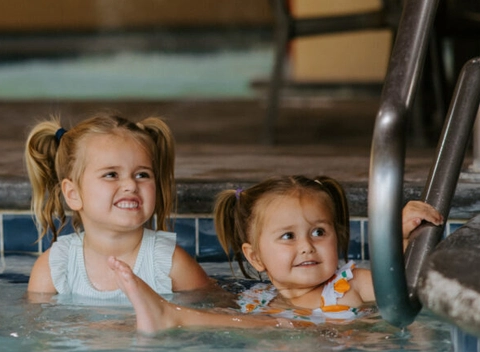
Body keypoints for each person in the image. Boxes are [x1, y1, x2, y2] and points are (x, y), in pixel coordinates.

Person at [108, 175, 444, 333]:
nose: (306, 246)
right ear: (255, 258)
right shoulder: (256, 299)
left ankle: (171, 316)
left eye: (319, 232)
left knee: (275, 325)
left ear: (337, 237)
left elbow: (404, 287)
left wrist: (400, 239)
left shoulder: (349, 284)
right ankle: (164, 316)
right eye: (288, 236)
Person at [25, 113, 214, 301]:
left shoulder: (170, 264)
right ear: (73, 194)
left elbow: (213, 314)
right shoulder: (54, 268)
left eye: (142, 175)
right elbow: (34, 328)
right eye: (111, 174)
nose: (131, 185)